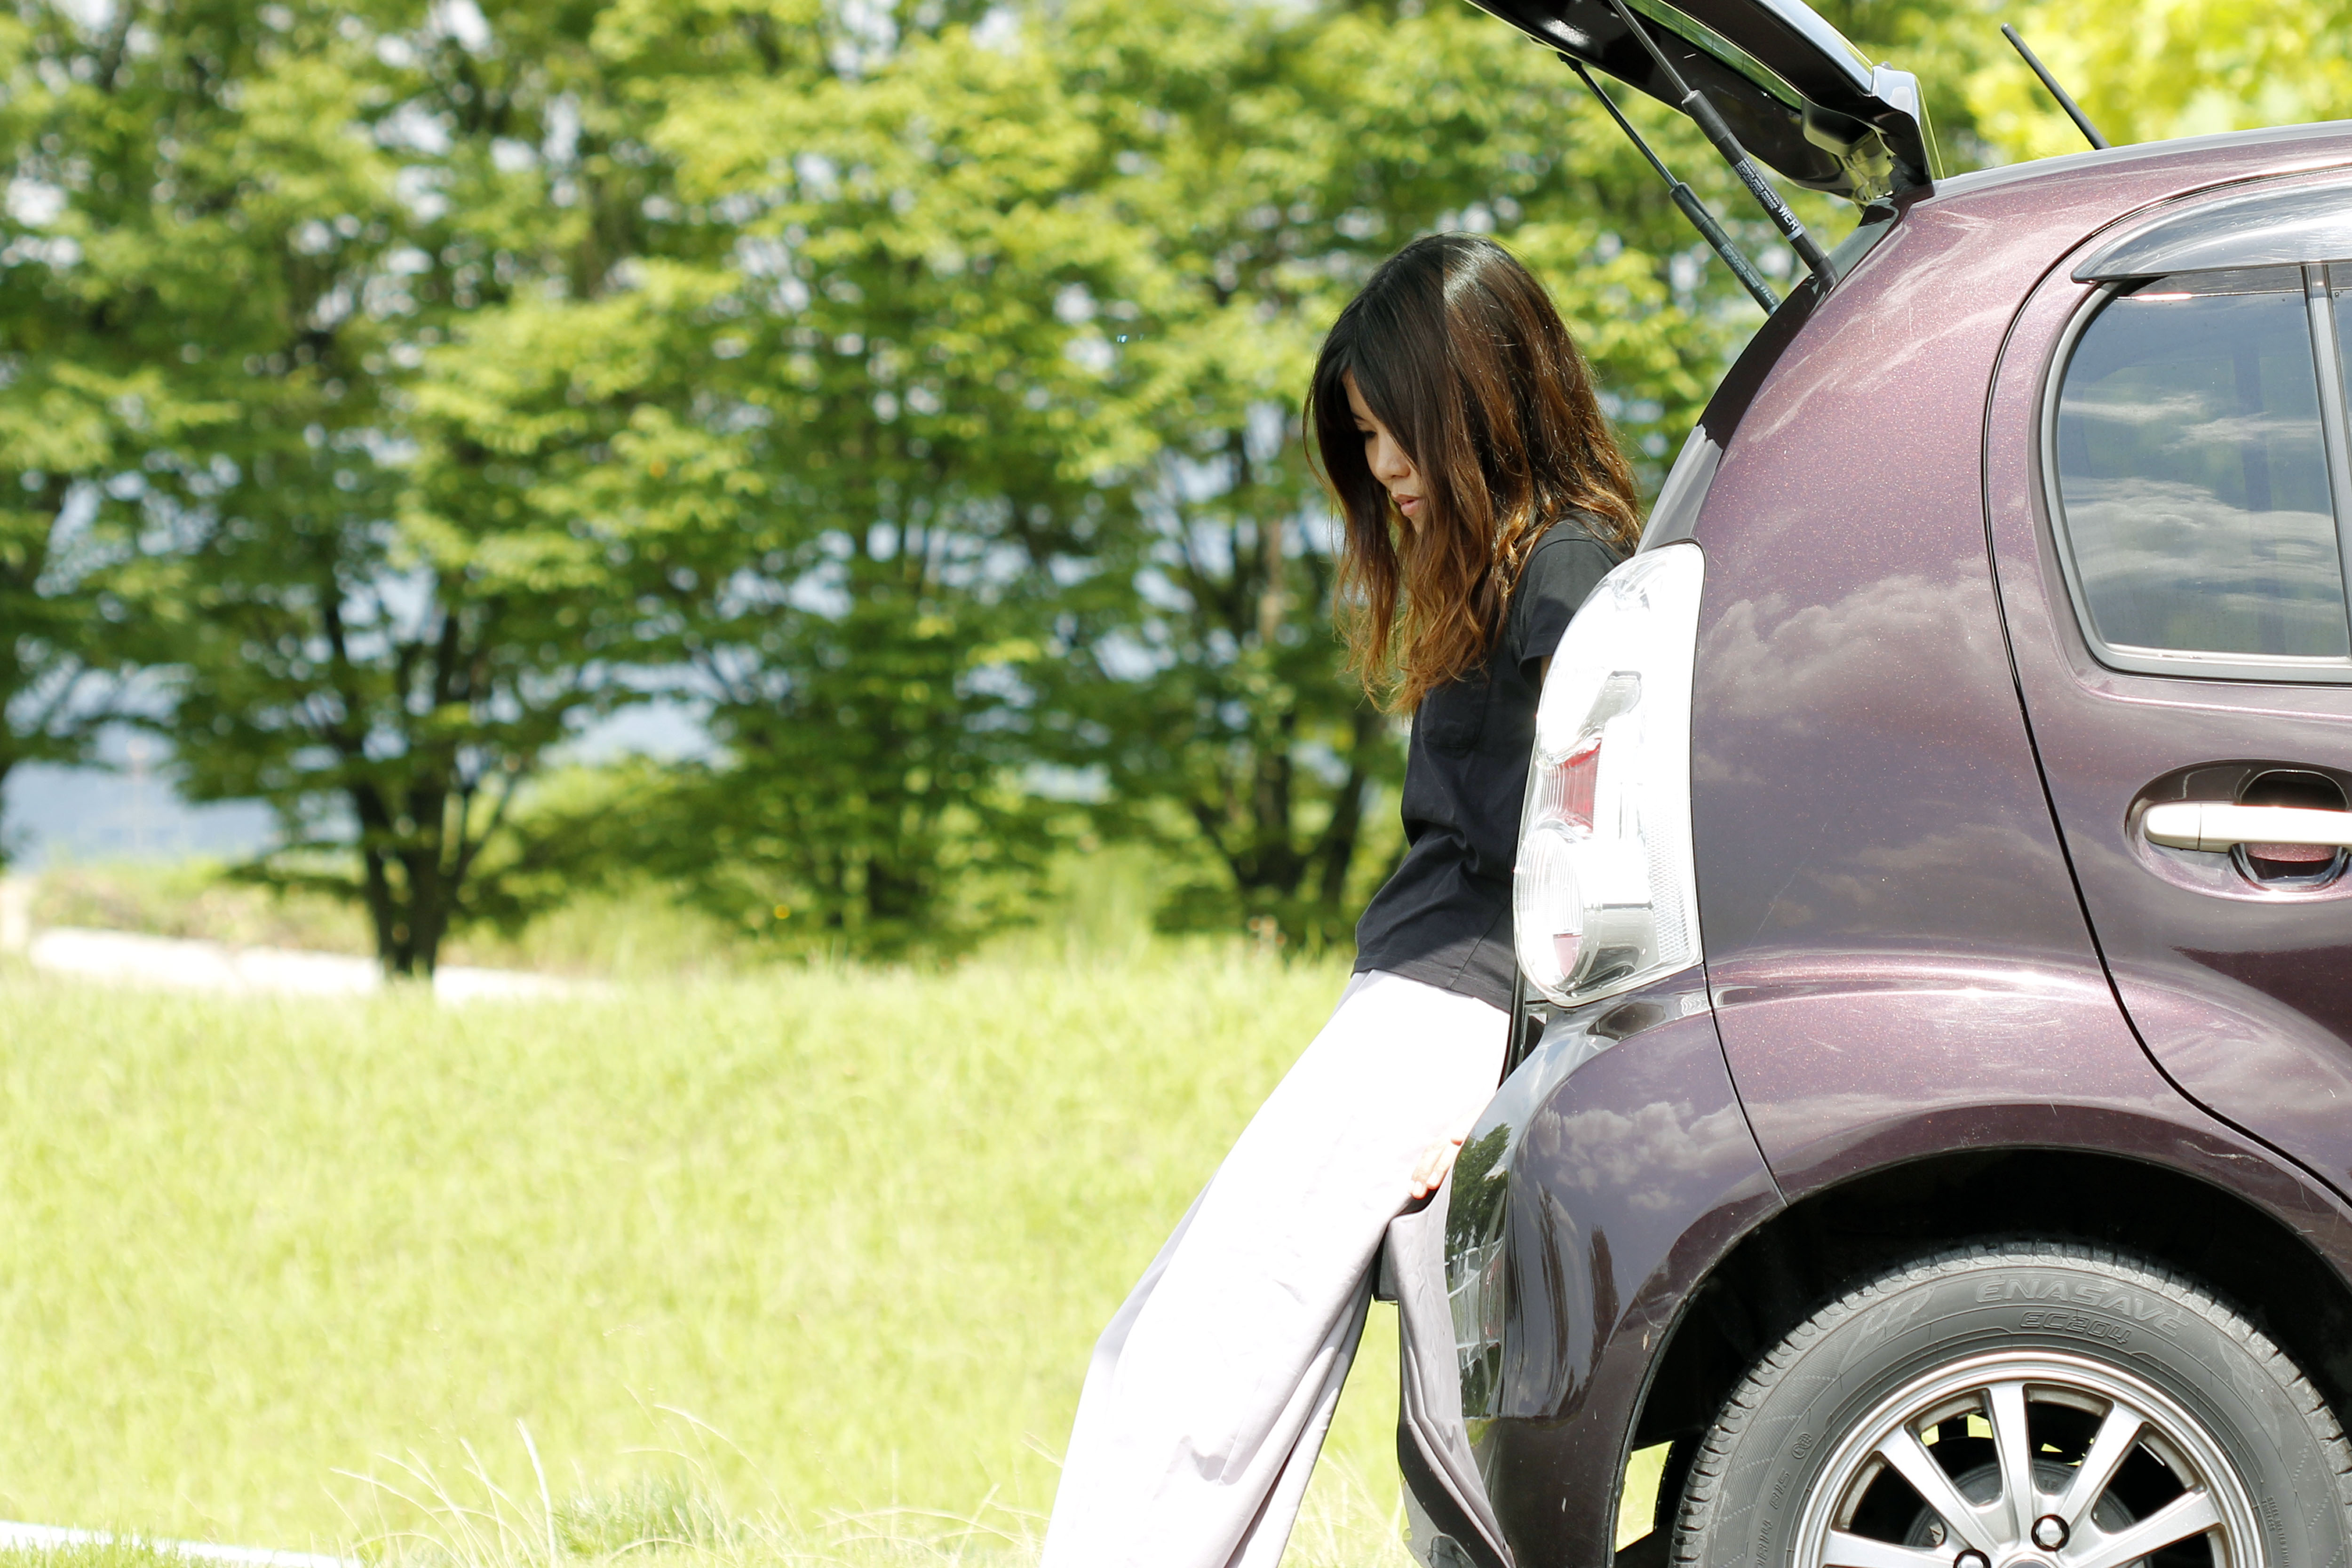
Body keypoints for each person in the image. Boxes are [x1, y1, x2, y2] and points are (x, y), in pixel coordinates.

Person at [1040, 232, 1642, 1568]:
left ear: (1479, 401)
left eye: (1394, 434)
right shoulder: (1525, 566)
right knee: (1265, 1357)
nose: (1381, 471)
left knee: (1197, 1353)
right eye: (1364, 440)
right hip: (1421, 1008)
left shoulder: (1567, 575)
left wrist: (1516, 1097)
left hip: (1449, 1019)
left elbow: (1593, 864)